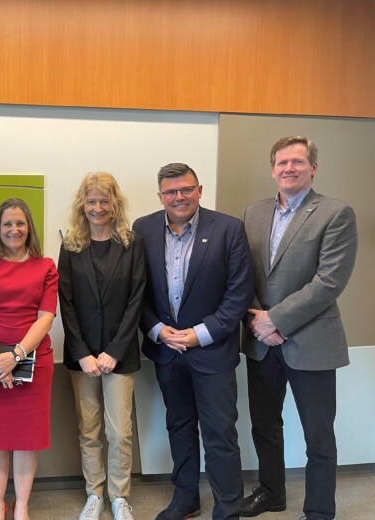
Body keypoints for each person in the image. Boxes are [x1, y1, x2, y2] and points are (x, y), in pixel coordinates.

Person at [240, 137, 357, 520]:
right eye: (282, 162)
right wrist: (258, 319)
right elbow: (242, 275)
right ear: (272, 168)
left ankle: (320, 511)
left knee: (319, 437)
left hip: (312, 341)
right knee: (265, 426)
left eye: (297, 161)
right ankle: (272, 493)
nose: (289, 168)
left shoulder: (336, 213)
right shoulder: (253, 213)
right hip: (261, 342)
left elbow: (329, 282)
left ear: (313, 168)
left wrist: (276, 320)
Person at [133, 163, 253, 520]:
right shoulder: (143, 229)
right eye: (171, 192)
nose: (179, 197)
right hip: (167, 350)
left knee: (220, 433)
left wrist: (200, 334)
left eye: (186, 189)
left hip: (212, 351)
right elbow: (135, 292)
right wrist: (156, 329)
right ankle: (186, 499)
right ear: (160, 196)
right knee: (179, 427)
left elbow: (238, 293)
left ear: (199, 190)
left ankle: (228, 507)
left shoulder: (229, 229)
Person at [58, 173, 146, 520]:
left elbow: (137, 298)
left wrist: (116, 349)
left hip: (119, 356)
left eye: (104, 201)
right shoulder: (70, 246)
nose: (98, 208)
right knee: (89, 429)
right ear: (83, 205)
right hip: (83, 358)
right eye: (92, 201)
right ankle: (94, 494)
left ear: (115, 205)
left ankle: (119, 496)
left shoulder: (131, 243)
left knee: (119, 431)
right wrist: (82, 352)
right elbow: (66, 303)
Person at [0, 198, 58, 520]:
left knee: (25, 439)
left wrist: (16, 356)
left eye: (20, 223)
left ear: (29, 227)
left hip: (34, 362)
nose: (14, 229)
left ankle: (21, 505)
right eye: (8, 223)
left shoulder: (46, 266)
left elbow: (46, 317)